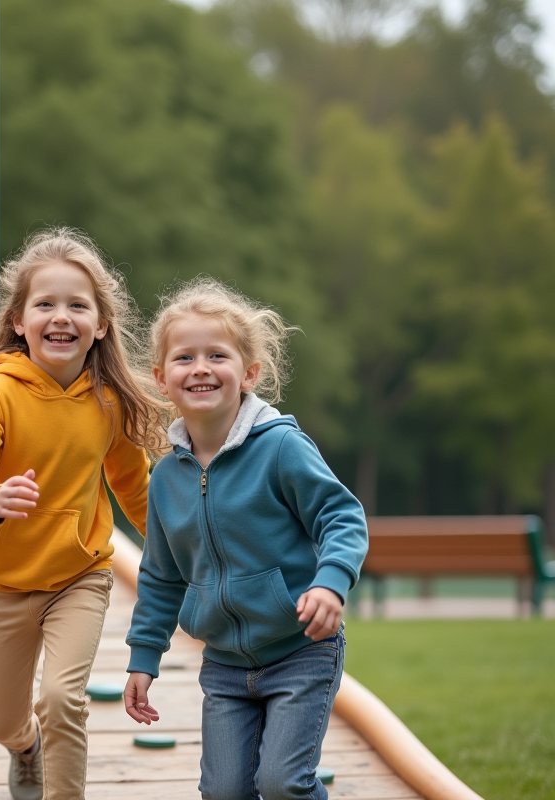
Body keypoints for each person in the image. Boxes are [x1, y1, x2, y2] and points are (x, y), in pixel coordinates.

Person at [124, 278, 368, 800]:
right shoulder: (166, 478)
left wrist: (330, 584)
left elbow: (341, 515)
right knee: (224, 792)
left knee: (283, 785)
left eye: (218, 355)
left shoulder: (280, 447)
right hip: (226, 668)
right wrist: (144, 658)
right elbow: (161, 576)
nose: (201, 367)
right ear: (162, 378)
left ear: (249, 373)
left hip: (301, 651)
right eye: (184, 357)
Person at [0, 229, 165, 800]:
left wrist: (177, 546)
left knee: (63, 699)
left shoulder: (107, 403)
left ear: (101, 324)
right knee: (1, 721)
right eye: (45, 304)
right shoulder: (0, 394)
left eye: (77, 305)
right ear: (19, 320)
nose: (60, 316)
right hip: (6, 582)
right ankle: (24, 747)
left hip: (79, 575)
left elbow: (133, 487)